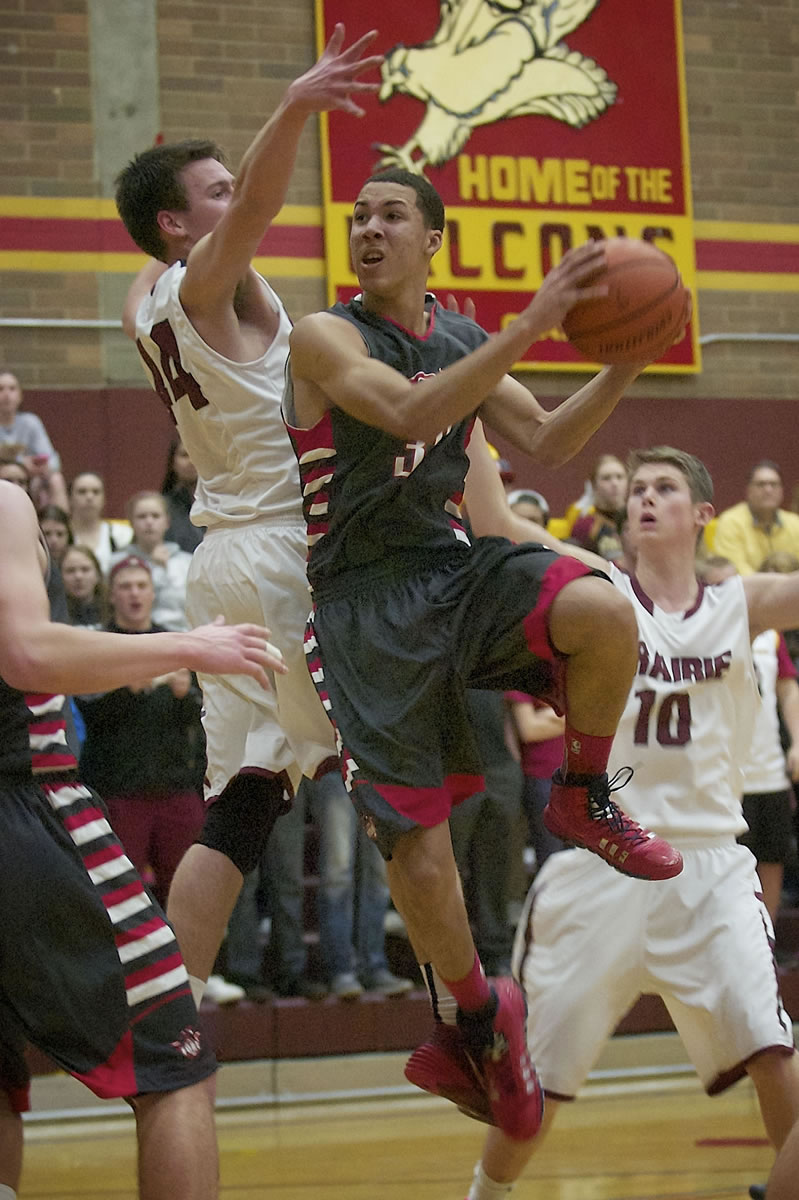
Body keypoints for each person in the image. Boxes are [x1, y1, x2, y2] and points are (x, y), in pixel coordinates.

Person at [284, 166, 687, 1139]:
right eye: (359, 217)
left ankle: (581, 791)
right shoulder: (325, 334)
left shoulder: (460, 337)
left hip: (453, 574)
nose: (369, 228)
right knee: (419, 858)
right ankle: (476, 1021)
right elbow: (413, 414)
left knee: (602, 607)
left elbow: (546, 437)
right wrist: (534, 322)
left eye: (391, 216)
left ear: (432, 241)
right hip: (365, 603)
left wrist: (631, 356)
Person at [115, 24, 385, 1007]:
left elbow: (141, 261)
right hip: (281, 558)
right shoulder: (196, 284)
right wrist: (297, 103)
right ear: (179, 230)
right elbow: (260, 207)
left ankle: (172, 1005)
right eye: (215, 193)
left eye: (231, 182)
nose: (237, 200)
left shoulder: (145, 302)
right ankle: (466, 999)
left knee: (243, 804)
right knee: (391, 755)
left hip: (219, 561)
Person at [454, 446, 799, 1200]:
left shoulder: (741, 602)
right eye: (636, 488)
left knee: (773, 1048)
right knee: (535, 1082)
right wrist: (471, 414)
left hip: (708, 866)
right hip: (601, 864)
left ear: (703, 514)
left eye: (665, 488)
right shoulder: (598, 590)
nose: (644, 497)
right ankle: (486, 1193)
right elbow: (496, 522)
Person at [0, 477, 284, 1200]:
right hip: (25, 809)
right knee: (174, 1065)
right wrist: (187, 645)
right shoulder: (3, 504)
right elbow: (26, 652)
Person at [77, 556, 206, 909]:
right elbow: (88, 712)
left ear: (152, 593)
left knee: (188, 896)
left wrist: (186, 698)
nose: (134, 594)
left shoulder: (173, 643)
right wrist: (122, 688)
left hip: (175, 789)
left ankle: (189, 964)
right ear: (112, 595)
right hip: (118, 791)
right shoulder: (97, 645)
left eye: (141, 586)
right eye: (125, 587)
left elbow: (196, 720)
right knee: (119, 898)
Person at [111, 490, 193, 631]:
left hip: (181, 638)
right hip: (134, 638)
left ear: (167, 522)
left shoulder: (187, 562)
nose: (149, 522)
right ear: (131, 522)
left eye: (155, 516)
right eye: (142, 517)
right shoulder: (117, 562)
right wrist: (156, 568)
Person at [712, 460, 799, 575]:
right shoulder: (730, 522)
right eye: (761, 484)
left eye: (774, 484)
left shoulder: (795, 523)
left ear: (782, 490)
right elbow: (734, 571)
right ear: (748, 490)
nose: (768, 490)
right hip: (748, 591)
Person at [0, 370, 68, 510]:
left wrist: (42, 468)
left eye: (12, 389)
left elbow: (52, 460)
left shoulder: (31, 422)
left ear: (20, 396)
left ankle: (58, 526)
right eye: (1, 389)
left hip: (30, 479)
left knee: (56, 480)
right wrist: (21, 463)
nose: (6, 394)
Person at [69, 470, 133, 574]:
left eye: (96, 492)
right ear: (70, 498)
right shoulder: (59, 535)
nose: (89, 497)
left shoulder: (122, 534)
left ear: (104, 499)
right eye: (82, 491)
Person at [568, 452, 628, 561]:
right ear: (593, 485)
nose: (614, 483)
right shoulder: (584, 527)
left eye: (620, 477)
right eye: (606, 478)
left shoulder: (638, 522)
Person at [162, 438, 204, 553]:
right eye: (185, 455)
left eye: (196, 455)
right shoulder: (161, 507)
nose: (191, 461)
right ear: (172, 463)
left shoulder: (222, 504)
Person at [60, 543, 108, 628]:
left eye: (85, 570)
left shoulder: (114, 610)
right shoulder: (53, 612)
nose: (78, 576)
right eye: (70, 571)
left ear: (98, 574)